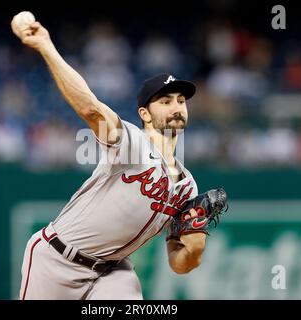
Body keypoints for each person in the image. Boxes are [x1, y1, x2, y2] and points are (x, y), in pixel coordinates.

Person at [13, 18, 208, 300]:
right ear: (145, 114)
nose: (176, 107)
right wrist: (45, 46)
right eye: (165, 102)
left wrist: (195, 248)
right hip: (56, 259)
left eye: (180, 100)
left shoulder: (188, 186)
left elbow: (179, 265)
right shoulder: (131, 142)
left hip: (113, 272)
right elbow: (92, 110)